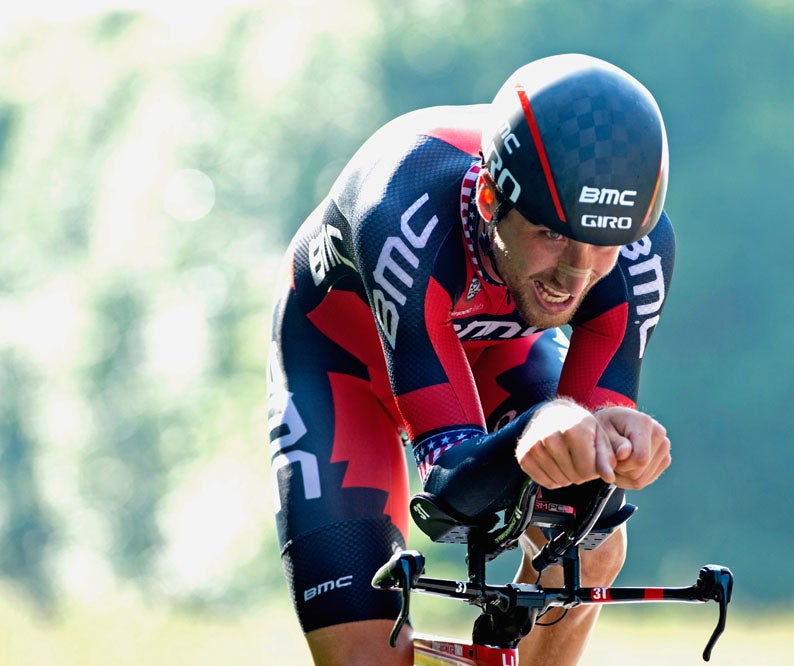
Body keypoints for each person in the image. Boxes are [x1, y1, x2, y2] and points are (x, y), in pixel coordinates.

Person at [267, 53, 675, 666]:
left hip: (496, 353)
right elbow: (451, 499)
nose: (576, 274)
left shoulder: (642, 248)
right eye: (552, 234)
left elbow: (585, 485)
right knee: (364, 656)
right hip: (338, 366)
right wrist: (541, 426)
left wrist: (616, 443)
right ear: (488, 197)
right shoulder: (402, 204)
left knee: (590, 544)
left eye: (603, 245)